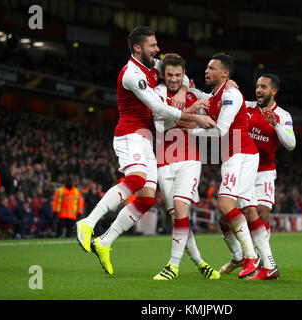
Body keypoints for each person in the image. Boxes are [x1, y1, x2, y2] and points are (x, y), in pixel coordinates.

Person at [75, 26, 216, 275]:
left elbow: (179, 75)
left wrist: (183, 90)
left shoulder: (154, 65)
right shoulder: (132, 74)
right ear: (138, 48)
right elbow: (160, 110)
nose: (157, 49)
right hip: (130, 135)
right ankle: (88, 223)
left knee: (146, 199)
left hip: (145, 138)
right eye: (153, 45)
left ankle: (104, 242)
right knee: (137, 179)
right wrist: (194, 117)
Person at [187, 53, 260, 279]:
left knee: (225, 203)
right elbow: (204, 98)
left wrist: (190, 130)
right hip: (230, 158)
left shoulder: (231, 94)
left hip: (243, 155)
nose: (206, 71)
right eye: (207, 68)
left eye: (212, 68)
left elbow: (220, 129)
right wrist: (187, 90)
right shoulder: (216, 95)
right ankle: (238, 257)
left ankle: (252, 257)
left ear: (225, 74)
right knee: (224, 218)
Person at [217, 74, 296, 280]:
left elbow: (291, 144)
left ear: (274, 91)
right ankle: (240, 257)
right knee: (224, 217)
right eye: (257, 86)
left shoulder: (283, 115)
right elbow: (227, 102)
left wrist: (276, 124)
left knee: (261, 211)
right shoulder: (247, 107)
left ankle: (263, 263)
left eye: (263, 87)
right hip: (242, 167)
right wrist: (229, 87)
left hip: (264, 172)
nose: (258, 90)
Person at [152, 53, 220, 280]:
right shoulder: (156, 93)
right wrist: (191, 114)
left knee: (182, 208)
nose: (173, 79)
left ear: (183, 75)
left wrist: (193, 125)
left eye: (178, 75)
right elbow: (163, 123)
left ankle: (172, 266)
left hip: (190, 159)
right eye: (169, 74)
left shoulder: (194, 93)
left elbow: (212, 116)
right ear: (164, 74)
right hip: (164, 163)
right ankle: (200, 263)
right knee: (178, 218)